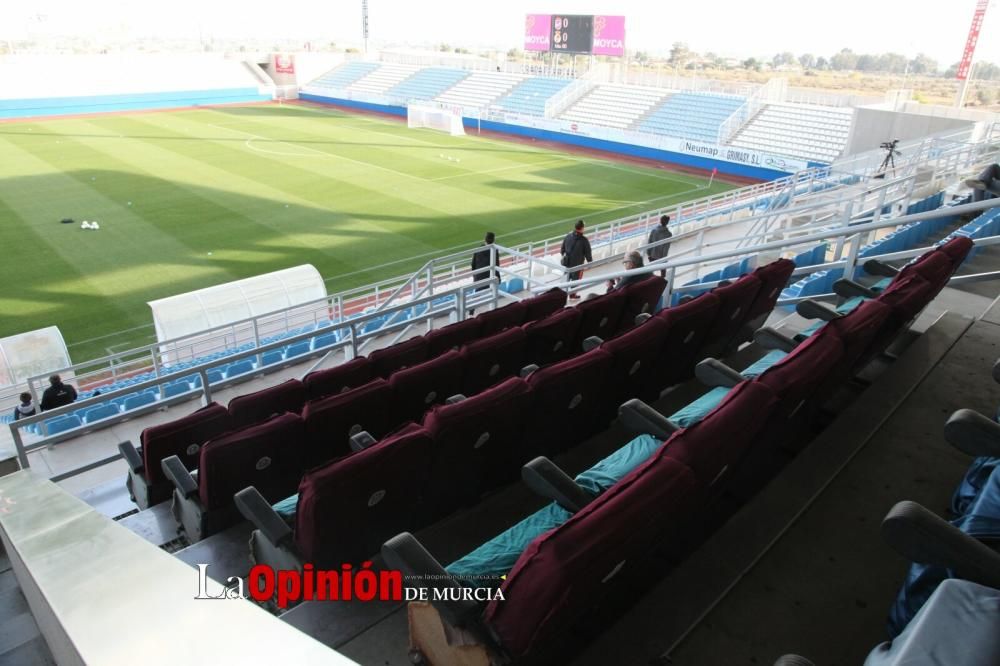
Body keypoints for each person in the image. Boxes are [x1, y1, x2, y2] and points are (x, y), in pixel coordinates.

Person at [560, 220, 593, 299]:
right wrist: (590, 263)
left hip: (567, 264)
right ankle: (572, 295)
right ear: (582, 228)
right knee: (576, 281)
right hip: (578, 265)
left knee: (565, 280)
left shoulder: (568, 236)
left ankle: (561, 296)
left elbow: (562, 250)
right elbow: (588, 253)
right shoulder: (584, 240)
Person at [468, 231, 497, 315]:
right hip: (489, 276)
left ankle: (471, 310)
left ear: (485, 239)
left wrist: (475, 275)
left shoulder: (479, 248)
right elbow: (497, 264)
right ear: (493, 240)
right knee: (491, 291)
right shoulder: (494, 250)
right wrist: (498, 277)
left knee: (477, 292)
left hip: (479, 276)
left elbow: (472, 264)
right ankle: (493, 311)